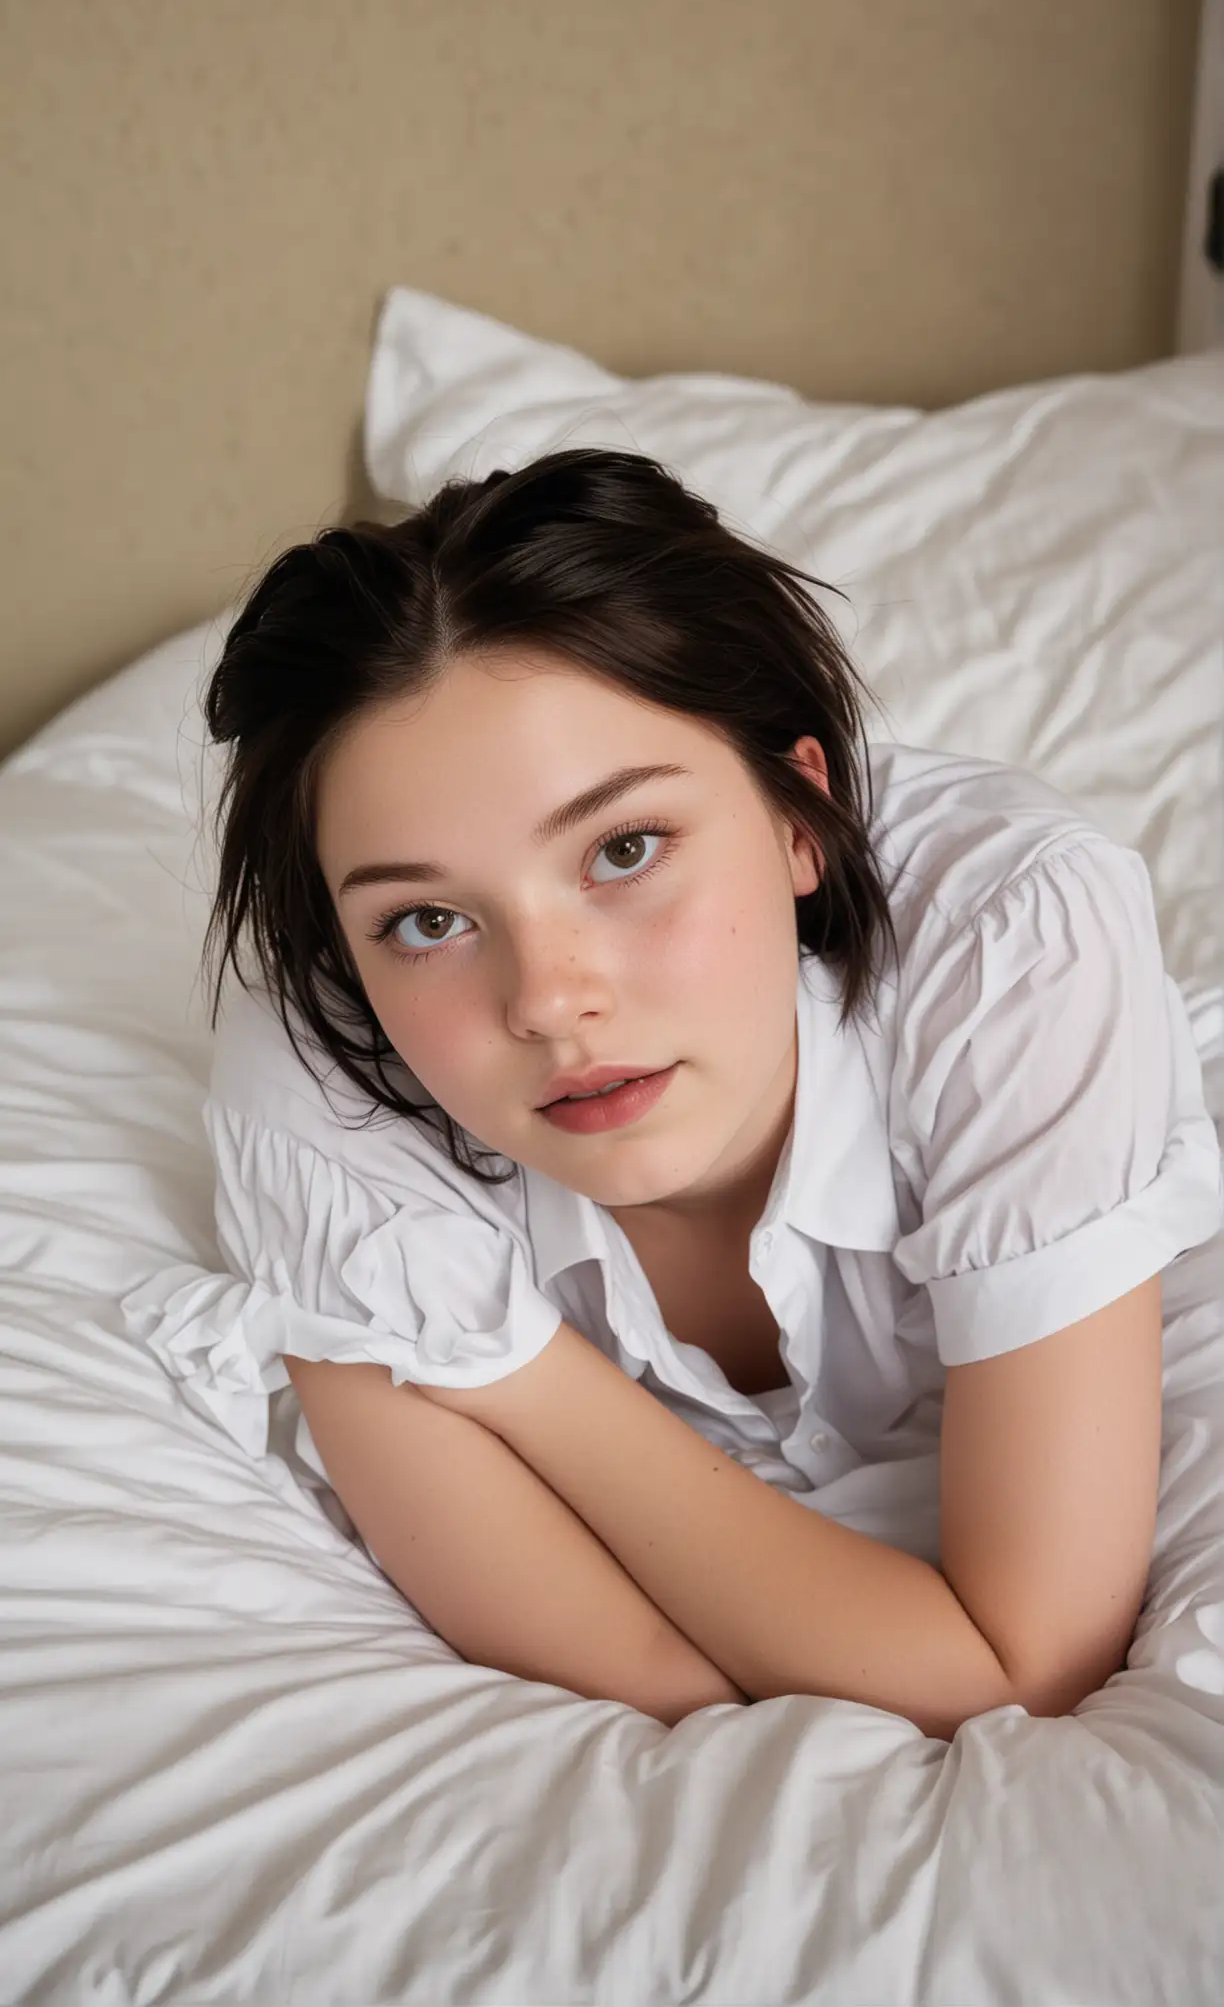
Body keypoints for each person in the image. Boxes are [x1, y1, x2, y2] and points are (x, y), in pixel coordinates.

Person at [125, 447, 1223, 1733]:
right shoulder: (323, 1094)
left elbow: (1021, 1663)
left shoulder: (1014, 940)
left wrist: (521, 1383)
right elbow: (660, 1681)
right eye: (425, 921)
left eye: (624, 850)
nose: (546, 999)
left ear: (800, 814)